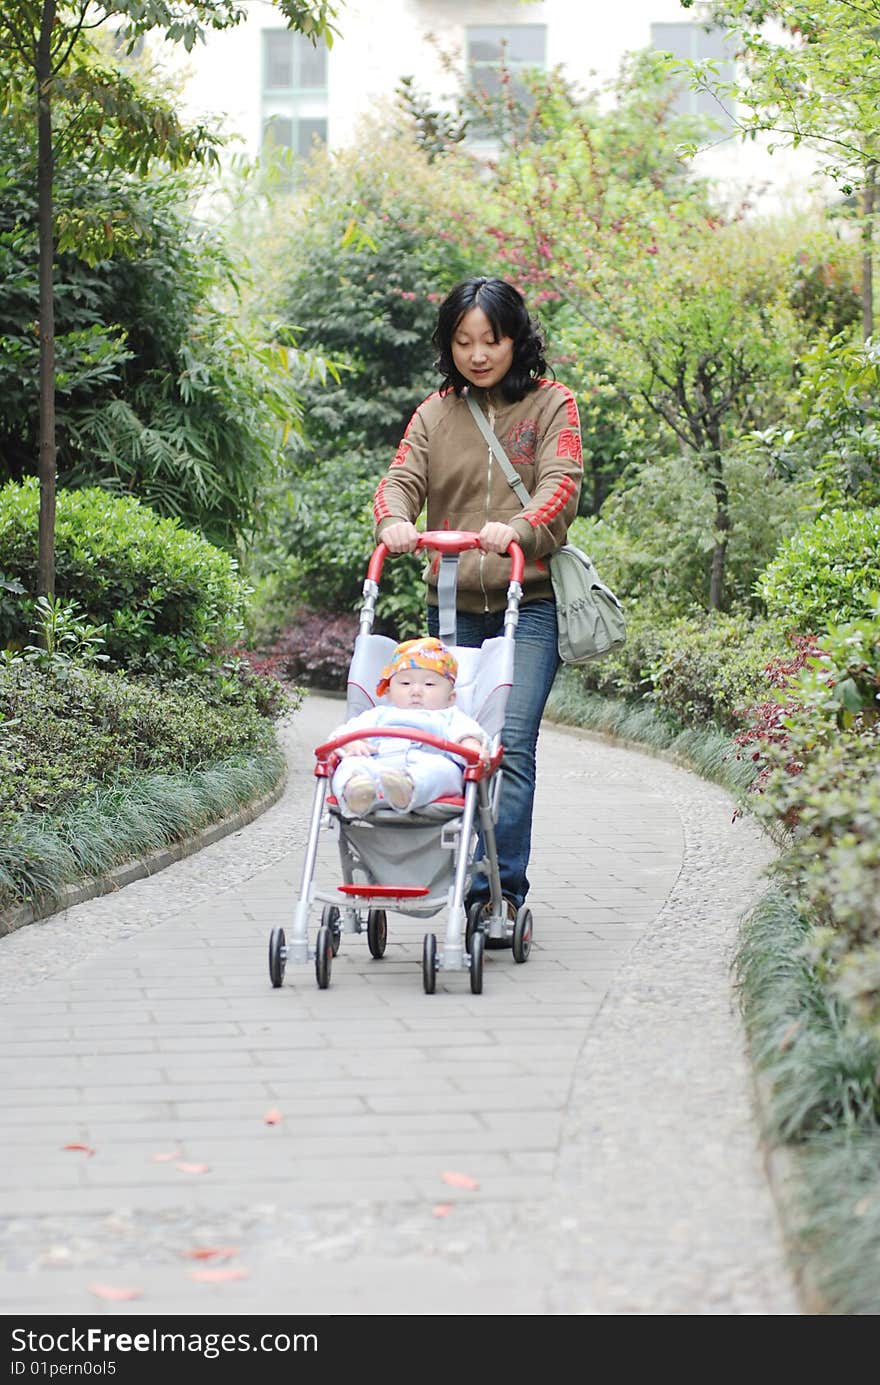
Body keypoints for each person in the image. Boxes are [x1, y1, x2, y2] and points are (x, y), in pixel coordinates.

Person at [372, 275, 582, 919]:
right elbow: (400, 478)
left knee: (510, 746)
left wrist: (516, 530)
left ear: (516, 339)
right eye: (463, 342)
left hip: (532, 605)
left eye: (491, 339)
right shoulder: (435, 413)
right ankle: (441, 870)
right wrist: (394, 523)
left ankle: (496, 894)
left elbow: (562, 483)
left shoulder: (553, 406)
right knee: (450, 744)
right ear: (449, 346)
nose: (479, 354)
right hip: (451, 608)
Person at [329, 636, 489, 819]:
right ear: (388, 692)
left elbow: (467, 733)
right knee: (350, 764)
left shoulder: (450, 715)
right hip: (377, 765)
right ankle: (356, 791)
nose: (416, 691)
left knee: (447, 771)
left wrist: (472, 746)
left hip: (426, 762)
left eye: (429, 684)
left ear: (451, 697)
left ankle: (407, 789)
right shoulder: (378, 714)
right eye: (405, 683)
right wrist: (353, 743)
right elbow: (342, 734)